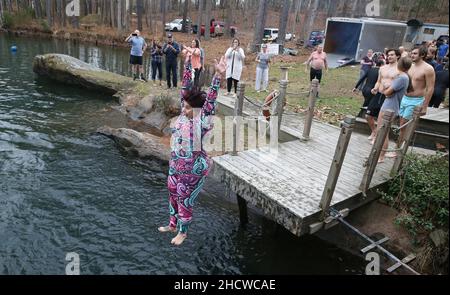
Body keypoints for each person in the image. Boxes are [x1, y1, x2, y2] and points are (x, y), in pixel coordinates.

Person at [158, 56, 227, 246]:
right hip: (176, 163)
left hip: (193, 166)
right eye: (183, 105)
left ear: (197, 110)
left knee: (183, 196)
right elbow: (185, 88)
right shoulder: (183, 114)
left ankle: (183, 232)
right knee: (172, 190)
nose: (183, 108)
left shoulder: (201, 121)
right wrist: (188, 64)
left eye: (188, 107)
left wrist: (218, 76)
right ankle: (172, 224)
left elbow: (210, 102)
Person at [377, 57, 413, 163]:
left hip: (390, 107)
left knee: (382, 131)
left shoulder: (402, 78)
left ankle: (381, 155)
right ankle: (379, 153)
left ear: (399, 65)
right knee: (381, 130)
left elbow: (387, 92)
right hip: (390, 105)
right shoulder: (403, 77)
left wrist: (385, 87)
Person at [399, 45, 435, 145]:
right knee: (401, 124)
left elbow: (430, 88)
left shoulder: (428, 69)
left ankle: (399, 151)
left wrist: (425, 106)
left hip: (416, 100)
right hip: (404, 98)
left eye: (415, 53)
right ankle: (398, 149)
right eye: (411, 53)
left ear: (422, 55)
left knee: (404, 125)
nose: (412, 55)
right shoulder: (410, 66)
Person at [368, 48, 401, 143]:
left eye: (392, 55)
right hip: (379, 94)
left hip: (390, 96)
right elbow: (379, 81)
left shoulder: (399, 69)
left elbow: (400, 83)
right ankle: (374, 132)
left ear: (397, 56)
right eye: (388, 55)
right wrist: (375, 88)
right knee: (368, 115)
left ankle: (377, 138)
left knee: (382, 120)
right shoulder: (382, 68)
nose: (389, 56)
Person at [353, 59, 384, 138]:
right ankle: (365, 117)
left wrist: (356, 87)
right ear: (381, 65)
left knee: (366, 104)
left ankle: (361, 116)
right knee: (369, 105)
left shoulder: (370, 69)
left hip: (365, 89)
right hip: (372, 90)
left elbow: (362, 78)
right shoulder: (380, 72)